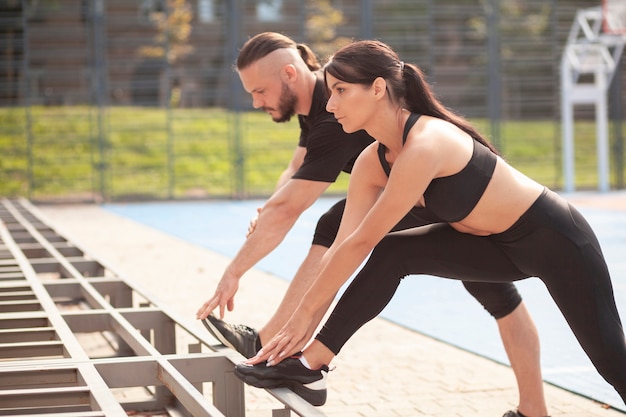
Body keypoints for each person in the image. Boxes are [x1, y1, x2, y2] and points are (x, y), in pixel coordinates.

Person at [233, 39, 626, 416]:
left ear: (377, 89)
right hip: (495, 247)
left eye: (340, 90)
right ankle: (312, 362)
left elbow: (362, 241)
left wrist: (301, 319)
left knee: (611, 361)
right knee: (395, 251)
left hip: (556, 240)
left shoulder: (427, 143)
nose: (331, 105)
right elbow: (344, 246)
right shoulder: (372, 161)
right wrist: (299, 325)